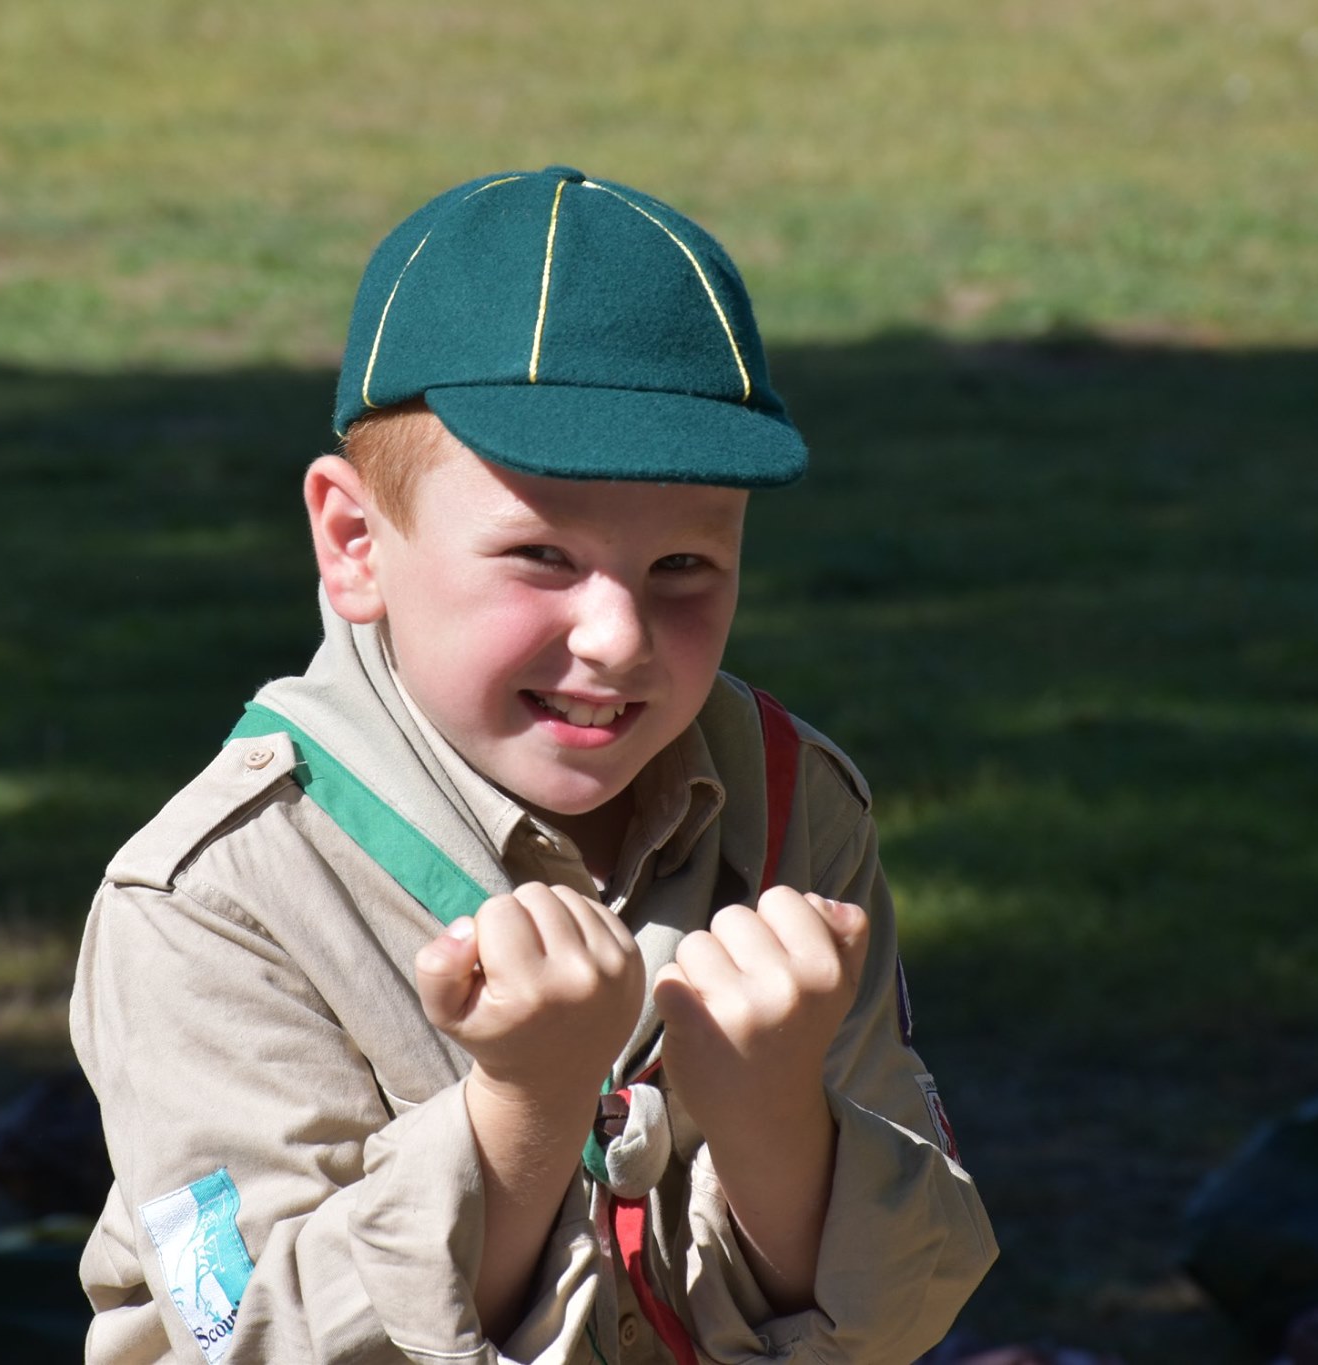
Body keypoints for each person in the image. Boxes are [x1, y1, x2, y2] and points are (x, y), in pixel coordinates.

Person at [70, 165, 996, 1365]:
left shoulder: (791, 805)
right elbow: (247, 1340)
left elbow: (900, 1312)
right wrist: (519, 1107)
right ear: (355, 542)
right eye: (541, 556)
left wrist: (773, 1112)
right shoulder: (213, 901)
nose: (616, 638)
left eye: (684, 567)